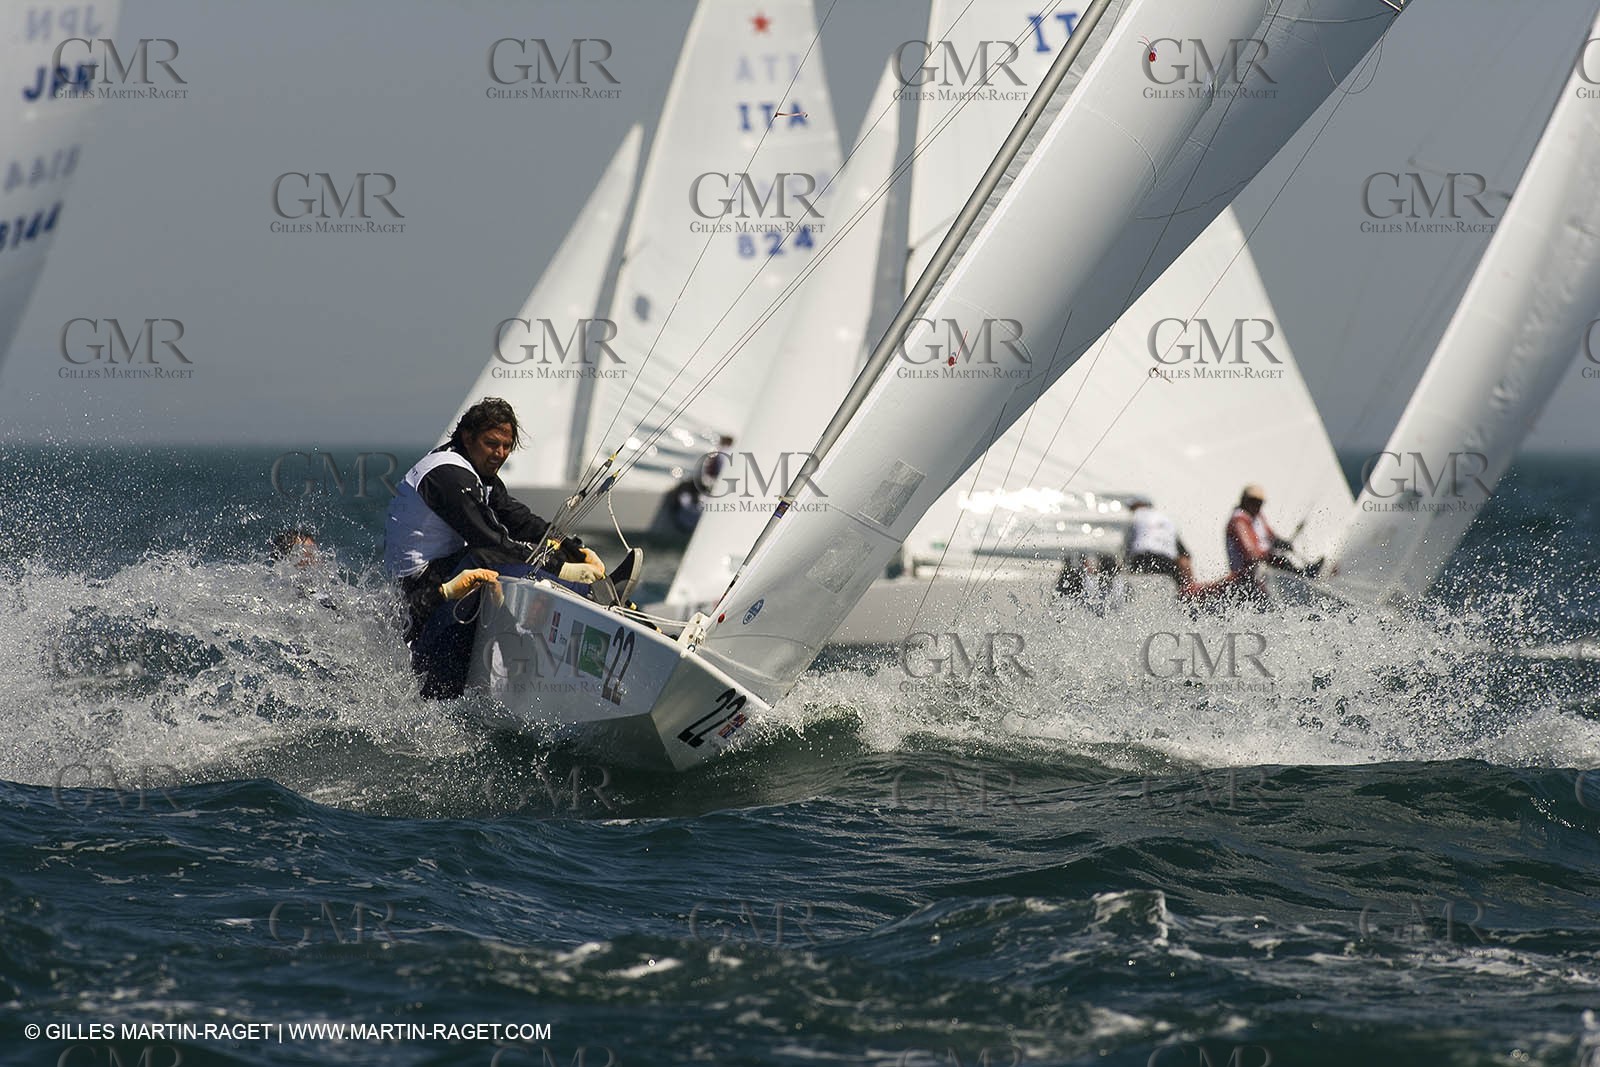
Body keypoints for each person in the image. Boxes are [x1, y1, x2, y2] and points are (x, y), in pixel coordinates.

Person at [384, 397, 641, 697]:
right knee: (485, 556)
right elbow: (490, 539)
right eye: (492, 443)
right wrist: (563, 569)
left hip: (444, 580)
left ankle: (609, 606)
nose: (500, 454)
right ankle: (591, 595)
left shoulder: (474, 469)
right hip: (423, 599)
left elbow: (516, 518)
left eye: (507, 446)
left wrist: (571, 548)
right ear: (468, 437)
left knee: (498, 555)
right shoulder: (449, 476)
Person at [1218, 483, 1324, 603]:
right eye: (1254, 502)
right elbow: (1251, 554)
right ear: (1244, 500)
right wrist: (1270, 555)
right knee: (1281, 561)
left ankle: (1306, 575)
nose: (1257, 506)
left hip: (1265, 567)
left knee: (1283, 560)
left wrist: (1281, 543)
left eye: (1260, 503)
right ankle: (1304, 578)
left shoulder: (1257, 516)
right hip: (1248, 575)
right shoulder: (1239, 522)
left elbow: (1270, 536)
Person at [1122, 496, 1195, 591]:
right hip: (1167, 563)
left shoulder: (1134, 518)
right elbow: (1184, 558)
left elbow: (1124, 549)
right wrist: (1189, 584)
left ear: (1137, 506)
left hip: (1140, 560)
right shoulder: (1167, 521)